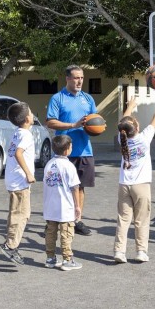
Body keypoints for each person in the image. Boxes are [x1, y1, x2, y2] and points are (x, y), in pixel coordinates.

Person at [114, 93, 155, 264]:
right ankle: (141, 251)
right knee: (141, 220)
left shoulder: (121, 139)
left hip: (124, 184)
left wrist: (130, 105)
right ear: (136, 127)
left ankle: (119, 252)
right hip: (141, 185)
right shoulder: (144, 138)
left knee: (123, 219)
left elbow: (123, 122)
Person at [46, 64, 96, 236]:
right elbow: (50, 122)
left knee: (80, 188)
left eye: (81, 77)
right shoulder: (57, 98)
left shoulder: (88, 99)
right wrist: (73, 125)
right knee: (60, 188)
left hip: (84, 150)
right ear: (67, 78)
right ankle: (55, 221)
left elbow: (94, 121)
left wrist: (97, 128)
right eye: (76, 77)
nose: (79, 81)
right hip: (63, 152)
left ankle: (77, 221)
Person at [0, 102, 36, 265]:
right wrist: (28, 173)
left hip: (14, 179)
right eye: (31, 111)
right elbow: (19, 153)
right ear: (28, 118)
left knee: (19, 213)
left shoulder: (18, 133)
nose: (33, 114)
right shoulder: (26, 135)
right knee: (21, 214)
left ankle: (11, 243)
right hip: (20, 180)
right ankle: (10, 245)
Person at [42, 135, 82, 271]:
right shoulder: (69, 166)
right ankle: (67, 259)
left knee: (50, 233)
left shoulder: (49, 164)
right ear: (67, 150)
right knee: (66, 233)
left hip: (50, 207)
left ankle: (50, 258)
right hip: (65, 207)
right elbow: (75, 187)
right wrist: (77, 206)